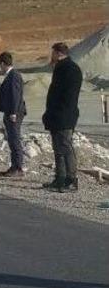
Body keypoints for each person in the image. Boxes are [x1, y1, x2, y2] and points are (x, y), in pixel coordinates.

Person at [42, 42, 82, 192]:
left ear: (58, 53)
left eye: (53, 53)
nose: (51, 57)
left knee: (66, 147)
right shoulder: (62, 68)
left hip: (64, 116)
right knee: (58, 148)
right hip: (56, 116)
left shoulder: (70, 69)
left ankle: (71, 180)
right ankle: (60, 178)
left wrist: (58, 113)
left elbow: (68, 97)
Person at [0, 52, 27, 177]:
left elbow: (15, 96)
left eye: (0, 64)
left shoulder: (13, 76)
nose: (0, 67)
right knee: (12, 139)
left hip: (14, 113)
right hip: (10, 112)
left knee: (14, 140)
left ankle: (18, 168)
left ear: (3, 63)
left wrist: (13, 112)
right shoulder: (12, 75)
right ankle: (14, 166)